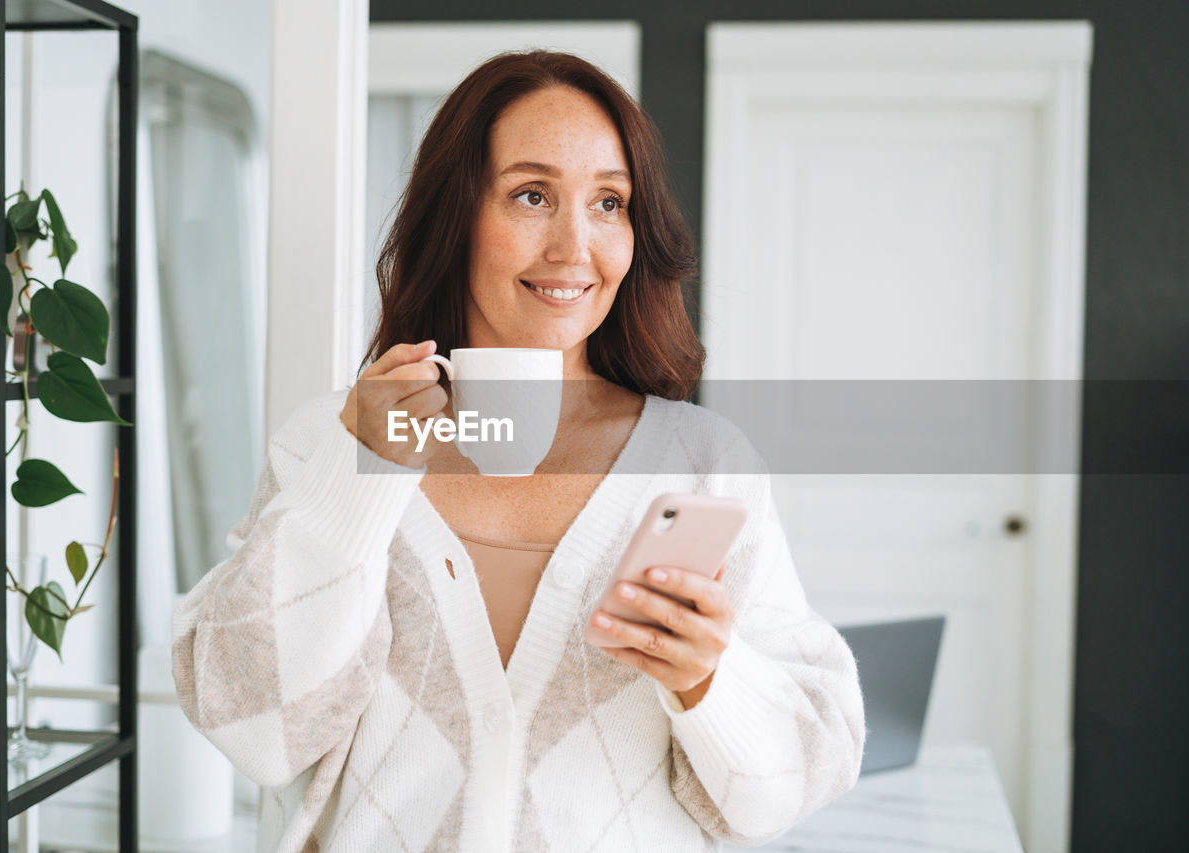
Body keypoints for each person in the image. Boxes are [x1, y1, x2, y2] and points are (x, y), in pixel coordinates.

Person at [173, 50, 863, 852]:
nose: (576, 245)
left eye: (609, 202)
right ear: (455, 214)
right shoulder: (330, 441)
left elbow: (790, 785)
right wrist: (359, 476)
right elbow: (252, 726)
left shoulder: (703, 464)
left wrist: (709, 679)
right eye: (532, 195)